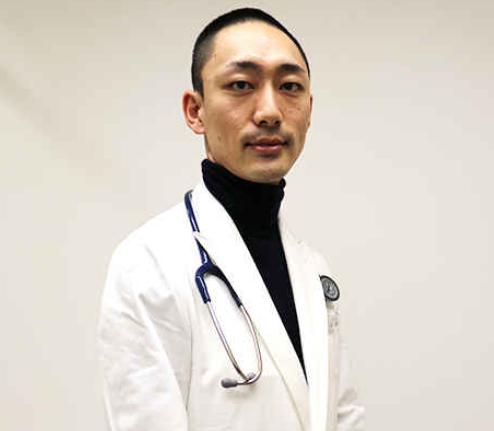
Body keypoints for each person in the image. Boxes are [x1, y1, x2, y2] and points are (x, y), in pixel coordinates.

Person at [98, 7, 364, 431]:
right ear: (195, 111)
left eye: (290, 86)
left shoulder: (314, 270)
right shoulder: (148, 265)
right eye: (241, 85)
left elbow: (343, 415)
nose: (270, 111)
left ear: (310, 110)